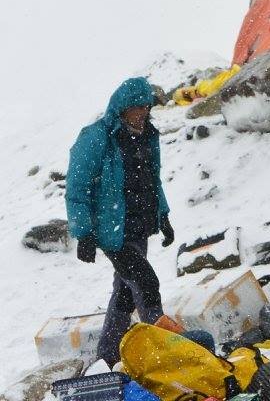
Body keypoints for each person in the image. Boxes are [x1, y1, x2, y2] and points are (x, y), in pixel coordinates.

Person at [66, 77, 176, 367]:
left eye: (146, 107)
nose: (142, 113)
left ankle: (108, 355)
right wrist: (85, 234)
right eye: (136, 108)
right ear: (121, 108)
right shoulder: (96, 137)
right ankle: (163, 351)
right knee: (146, 283)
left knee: (125, 293)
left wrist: (163, 216)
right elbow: (77, 189)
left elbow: (153, 180)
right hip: (111, 232)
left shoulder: (147, 136)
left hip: (138, 226)